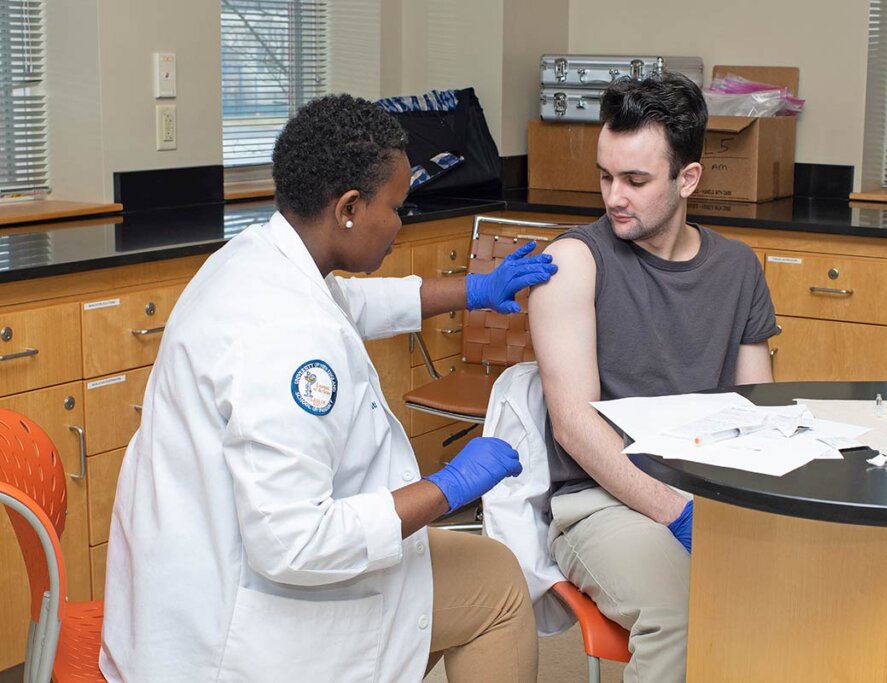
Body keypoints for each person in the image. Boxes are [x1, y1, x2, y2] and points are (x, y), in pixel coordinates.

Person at [99, 93, 557, 682]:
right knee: (498, 591)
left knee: (483, 569)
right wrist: (447, 487)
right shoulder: (291, 340)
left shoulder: (255, 258)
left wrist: (472, 290)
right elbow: (294, 543)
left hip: (190, 582)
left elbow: (350, 304)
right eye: (396, 207)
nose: (402, 221)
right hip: (241, 633)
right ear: (347, 208)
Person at [528, 73, 778, 682]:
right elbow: (574, 427)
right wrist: (678, 512)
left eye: (635, 181)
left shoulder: (738, 268)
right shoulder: (572, 262)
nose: (614, 196)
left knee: (801, 593)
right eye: (605, 176)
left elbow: (758, 410)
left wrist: (730, 507)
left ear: (687, 178)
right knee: (678, 613)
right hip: (599, 500)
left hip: (709, 488)